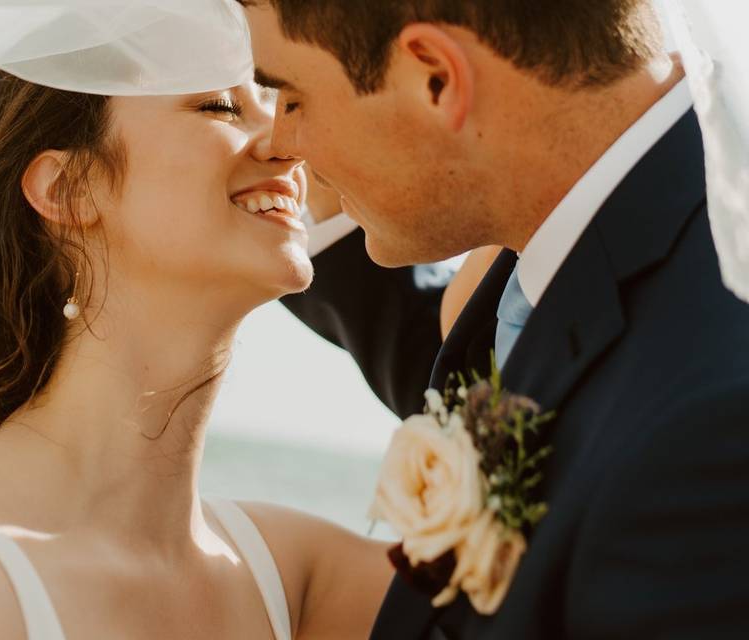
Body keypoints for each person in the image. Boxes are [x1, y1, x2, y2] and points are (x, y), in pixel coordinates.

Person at [0, 64, 405, 638]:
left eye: (276, 103)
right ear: (68, 188)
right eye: (219, 106)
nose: (290, 145)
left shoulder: (290, 576)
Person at [239, 0, 749, 637]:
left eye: (290, 97)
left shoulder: (707, 428)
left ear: (437, 78)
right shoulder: (575, 256)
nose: (280, 145)